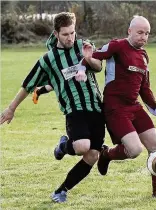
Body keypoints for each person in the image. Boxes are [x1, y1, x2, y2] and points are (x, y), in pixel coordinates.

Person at [0, 12, 105, 203]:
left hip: (96, 108)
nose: (70, 38)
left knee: (92, 155)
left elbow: (98, 67)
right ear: (56, 34)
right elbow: (28, 85)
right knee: (82, 146)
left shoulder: (84, 45)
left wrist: (88, 58)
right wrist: (11, 109)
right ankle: (64, 146)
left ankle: (61, 190)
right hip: (74, 110)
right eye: (65, 34)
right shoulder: (48, 60)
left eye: (72, 33)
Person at [82, 15, 156, 197]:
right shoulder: (117, 45)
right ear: (129, 31)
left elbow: (145, 89)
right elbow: (94, 57)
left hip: (134, 107)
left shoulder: (144, 56)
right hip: (115, 108)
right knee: (135, 150)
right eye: (140, 32)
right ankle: (106, 154)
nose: (143, 37)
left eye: (147, 33)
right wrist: (85, 64)